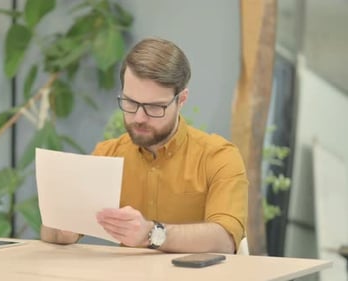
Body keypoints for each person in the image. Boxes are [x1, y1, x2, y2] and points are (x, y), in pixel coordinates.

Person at [40, 37, 248, 254]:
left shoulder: (218, 157)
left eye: (154, 107)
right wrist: (60, 231)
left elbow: (225, 239)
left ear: (182, 100)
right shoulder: (107, 155)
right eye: (130, 102)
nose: (139, 117)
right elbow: (51, 233)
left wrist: (152, 233)